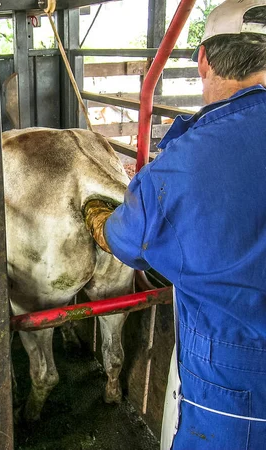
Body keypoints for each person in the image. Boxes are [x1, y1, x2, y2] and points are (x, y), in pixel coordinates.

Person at [84, 1, 266, 448]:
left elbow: (128, 243)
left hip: (235, 380)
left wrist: (99, 220)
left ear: (203, 59)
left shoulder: (183, 166)